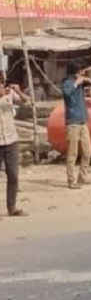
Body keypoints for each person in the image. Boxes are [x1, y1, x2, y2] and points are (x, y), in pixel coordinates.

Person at [61, 63, 91, 189]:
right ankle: (71, 180)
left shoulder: (80, 82)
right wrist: (77, 82)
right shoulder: (67, 82)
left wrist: (87, 77)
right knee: (72, 153)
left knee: (88, 151)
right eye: (81, 71)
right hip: (73, 123)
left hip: (82, 121)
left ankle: (82, 177)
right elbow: (67, 93)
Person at [0, 74, 28, 216]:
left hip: (11, 140)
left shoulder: (9, 95)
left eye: (3, 83)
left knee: (13, 175)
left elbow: (26, 102)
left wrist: (18, 91)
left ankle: (12, 207)